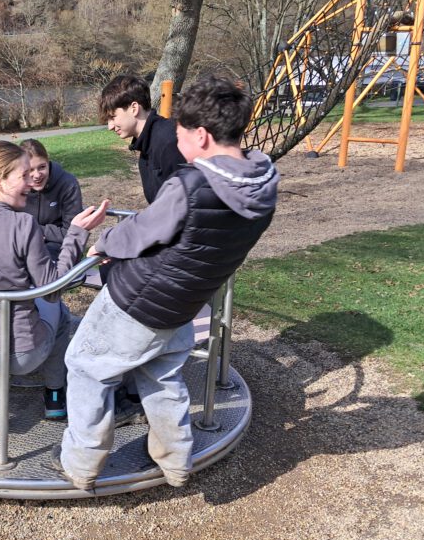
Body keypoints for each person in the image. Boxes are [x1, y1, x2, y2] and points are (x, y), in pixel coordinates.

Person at [53, 75, 279, 489]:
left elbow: (142, 231)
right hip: (188, 298)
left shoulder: (191, 185)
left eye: (181, 134)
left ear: (201, 136)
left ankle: (81, 462)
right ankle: (175, 459)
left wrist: (103, 242)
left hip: (140, 298)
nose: (176, 141)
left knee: (85, 366)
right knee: (160, 374)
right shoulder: (263, 181)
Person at [0, 141, 109, 428]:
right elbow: (52, 289)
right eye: (23, 176)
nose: (30, 184)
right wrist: (76, 233)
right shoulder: (23, 224)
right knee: (60, 314)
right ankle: (54, 395)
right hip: (21, 357)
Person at [100, 74, 184, 205]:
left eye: (113, 117)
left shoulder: (169, 141)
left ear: (134, 108)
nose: (110, 127)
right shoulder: (146, 147)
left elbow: (185, 203)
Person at [18, 139, 83, 260]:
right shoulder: (16, 186)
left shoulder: (67, 184)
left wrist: (36, 230)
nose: (37, 175)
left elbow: (73, 232)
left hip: (59, 248)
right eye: (30, 170)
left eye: (42, 167)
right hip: (24, 243)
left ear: (48, 161)